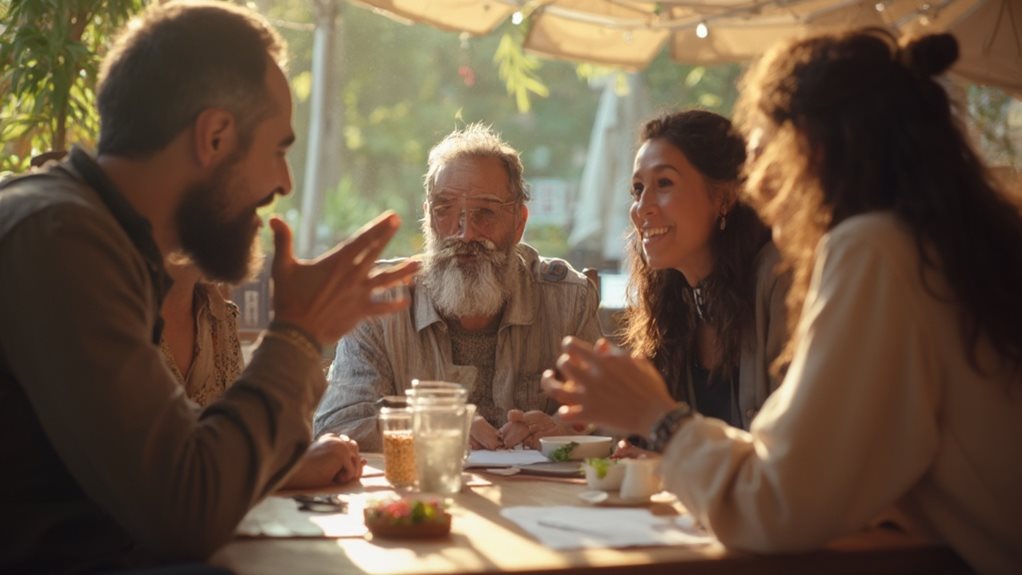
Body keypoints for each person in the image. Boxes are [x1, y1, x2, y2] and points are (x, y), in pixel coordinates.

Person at [543, 29, 1022, 575]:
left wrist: (660, 421)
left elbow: (778, 505)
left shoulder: (872, 250)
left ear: (811, 145)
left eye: (764, 137)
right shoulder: (938, 241)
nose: (756, 168)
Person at [0, 2, 417, 572]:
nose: (283, 181)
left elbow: (168, 461)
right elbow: (187, 510)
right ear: (215, 136)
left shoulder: (96, 238)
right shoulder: (60, 239)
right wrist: (297, 335)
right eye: (277, 150)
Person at [314, 124, 602, 452]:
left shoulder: (568, 300)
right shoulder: (380, 302)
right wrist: (434, 426)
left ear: (519, 223)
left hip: (540, 501)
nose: (464, 233)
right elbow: (335, 426)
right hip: (418, 499)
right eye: (445, 211)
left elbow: (610, 418)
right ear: (427, 217)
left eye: (485, 213)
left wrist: (564, 430)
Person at [617, 110, 787, 458]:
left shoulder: (779, 280)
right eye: (637, 189)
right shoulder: (674, 300)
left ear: (723, 198)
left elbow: (791, 454)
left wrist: (669, 465)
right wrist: (568, 425)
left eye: (664, 183)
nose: (641, 208)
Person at [160, 258, 365, 489]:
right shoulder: (120, 323)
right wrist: (292, 469)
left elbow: (227, 448)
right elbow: (156, 476)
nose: (258, 226)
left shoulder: (219, 316)